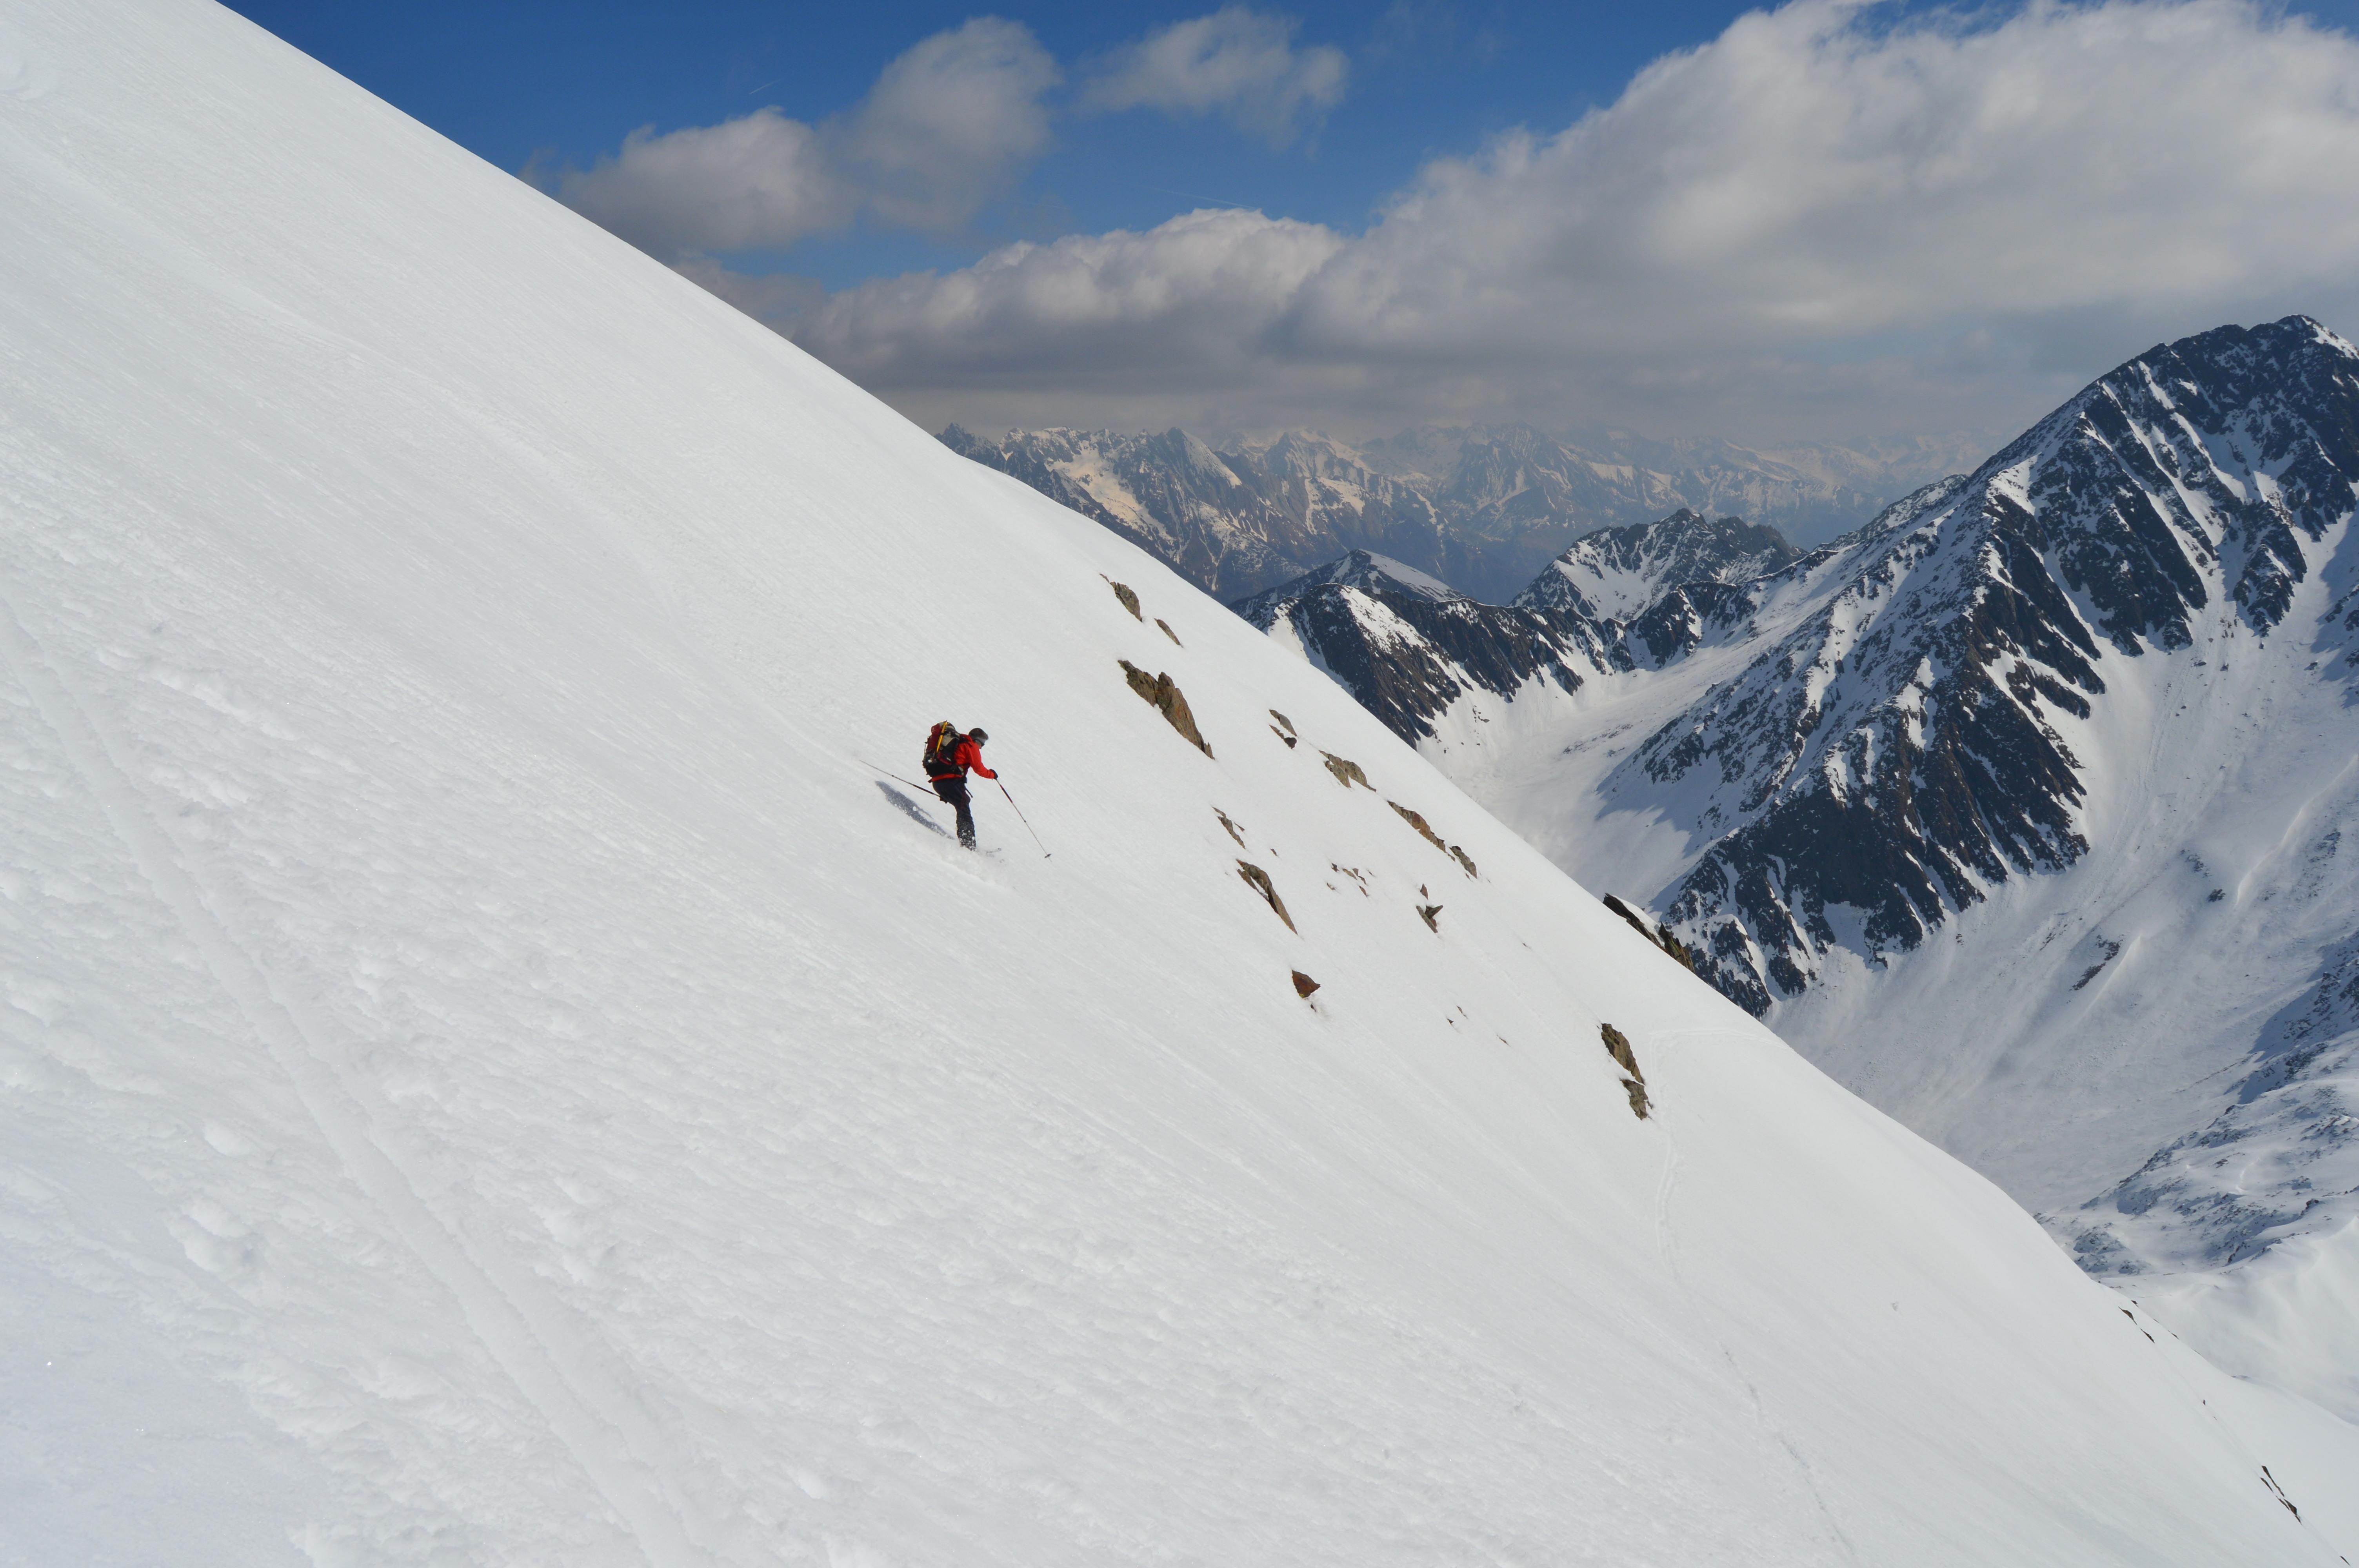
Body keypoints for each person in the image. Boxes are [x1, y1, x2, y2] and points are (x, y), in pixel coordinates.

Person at [923, 723, 996, 849]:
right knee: (964, 811)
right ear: (977, 741)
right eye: (982, 744)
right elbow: (979, 769)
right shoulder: (971, 746)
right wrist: (992, 775)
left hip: (938, 782)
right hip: (951, 782)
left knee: (964, 802)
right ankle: (968, 845)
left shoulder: (960, 742)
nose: (981, 748)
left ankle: (966, 842)